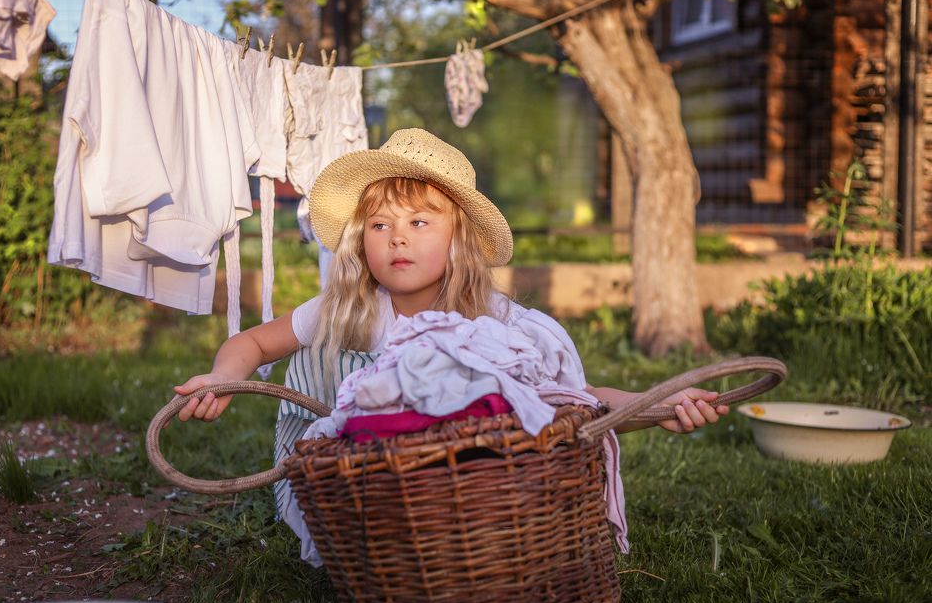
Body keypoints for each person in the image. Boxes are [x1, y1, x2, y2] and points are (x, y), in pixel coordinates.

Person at [173, 127, 727, 477]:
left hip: (465, 487)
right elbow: (252, 342)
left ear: (458, 237)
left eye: (419, 222)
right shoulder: (347, 307)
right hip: (363, 477)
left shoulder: (493, 322)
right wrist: (221, 377)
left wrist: (656, 403)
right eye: (380, 224)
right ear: (361, 241)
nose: (396, 237)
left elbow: (573, 402)